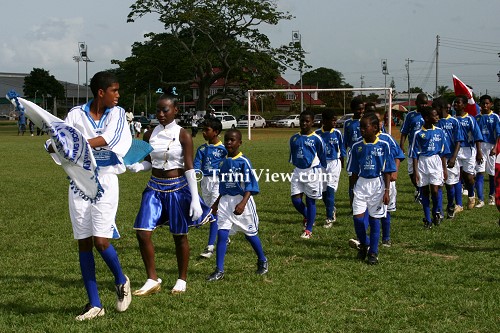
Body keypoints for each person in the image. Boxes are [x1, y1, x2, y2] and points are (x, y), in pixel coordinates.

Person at [61, 71, 132, 320]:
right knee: (83, 242)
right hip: (79, 182)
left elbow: (109, 140)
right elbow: (61, 138)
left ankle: (121, 280)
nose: (118, 95)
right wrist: (56, 144)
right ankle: (95, 304)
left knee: (101, 241)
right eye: (114, 90)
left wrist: (75, 143)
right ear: (101, 92)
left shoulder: (119, 113)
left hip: (106, 182)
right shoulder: (75, 114)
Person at [127, 92, 213, 296]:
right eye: (158, 110)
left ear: (175, 110)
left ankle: (182, 278)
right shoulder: (149, 134)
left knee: (179, 236)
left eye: (165, 110)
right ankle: (152, 278)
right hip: (154, 187)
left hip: (177, 187)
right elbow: (149, 161)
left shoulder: (183, 134)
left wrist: (195, 198)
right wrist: (139, 167)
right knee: (142, 232)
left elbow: (189, 167)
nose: (160, 114)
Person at [206, 129, 268, 281]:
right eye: (227, 139)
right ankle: (219, 270)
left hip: (242, 201)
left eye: (232, 140)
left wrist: (243, 203)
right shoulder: (223, 162)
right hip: (226, 201)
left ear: (239, 143)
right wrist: (216, 203)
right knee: (222, 234)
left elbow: (250, 185)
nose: (228, 142)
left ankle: (262, 260)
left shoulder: (243, 162)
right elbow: (224, 185)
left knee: (250, 234)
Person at [347, 113, 396, 264]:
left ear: (375, 128)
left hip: (377, 184)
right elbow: (353, 172)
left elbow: (387, 170)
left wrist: (387, 191)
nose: (361, 129)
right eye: (360, 127)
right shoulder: (357, 147)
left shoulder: (384, 145)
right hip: (361, 184)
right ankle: (365, 244)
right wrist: (352, 192)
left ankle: (373, 253)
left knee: (375, 220)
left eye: (365, 127)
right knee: (358, 219)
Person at [289, 110, 327, 239]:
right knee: (295, 200)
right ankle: (308, 216)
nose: (304, 123)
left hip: (312, 172)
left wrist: (321, 173)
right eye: (302, 121)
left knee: (310, 201)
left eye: (307, 121)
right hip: (298, 171)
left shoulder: (317, 139)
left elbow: (322, 157)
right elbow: (293, 156)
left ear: (312, 122)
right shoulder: (294, 138)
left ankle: (308, 230)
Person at [193, 118, 228, 258]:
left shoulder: (224, 149)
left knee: (214, 213)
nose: (203, 132)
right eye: (203, 129)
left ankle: (210, 247)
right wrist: (195, 175)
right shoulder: (202, 148)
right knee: (209, 212)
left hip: (218, 181)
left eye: (207, 130)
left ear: (216, 132)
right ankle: (225, 236)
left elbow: (229, 165)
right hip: (205, 182)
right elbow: (196, 165)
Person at [410, 107, 450, 228]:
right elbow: (414, 154)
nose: (437, 117)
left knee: (435, 190)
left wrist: (445, 169)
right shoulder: (418, 134)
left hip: (436, 162)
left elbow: (443, 152)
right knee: (425, 191)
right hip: (423, 163)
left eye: (438, 115)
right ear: (426, 118)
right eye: (435, 115)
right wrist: (415, 171)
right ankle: (427, 219)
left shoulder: (440, 131)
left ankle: (436, 211)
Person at [315, 110, 345, 228]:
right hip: (321, 164)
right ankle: (331, 208)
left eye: (335, 120)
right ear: (324, 121)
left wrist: (342, 162)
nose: (335, 122)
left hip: (334, 163)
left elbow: (342, 148)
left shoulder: (337, 133)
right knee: (322, 191)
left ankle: (329, 218)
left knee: (330, 189)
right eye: (332, 120)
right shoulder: (317, 134)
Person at [435, 97, 464, 218]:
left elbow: (458, 140)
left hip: (450, 158)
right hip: (437, 159)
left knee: (450, 185)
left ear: (441, 108)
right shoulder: (434, 122)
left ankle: (451, 205)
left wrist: (453, 157)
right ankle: (439, 211)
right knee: (438, 184)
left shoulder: (454, 122)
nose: (434, 110)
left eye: (435, 107)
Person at [454, 95, 484, 209]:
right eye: (455, 103)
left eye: (458, 103)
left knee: (469, 177)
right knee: (457, 176)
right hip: (456, 151)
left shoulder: (470, 119)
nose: (456, 105)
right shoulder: (452, 119)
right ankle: (459, 204)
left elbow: (477, 136)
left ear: (465, 105)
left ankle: (471, 195)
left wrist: (479, 152)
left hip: (469, 150)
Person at [399, 93, 428, 203]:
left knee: (423, 171)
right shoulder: (410, 116)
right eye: (422, 103)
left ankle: (422, 193)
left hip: (425, 149)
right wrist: (401, 145)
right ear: (416, 103)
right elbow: (404, 132)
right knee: (411, 171)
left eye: (426, 103)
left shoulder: (430, 114)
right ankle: (418, 189)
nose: (424, 106)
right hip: (413, 148)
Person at [474, 95, 500, 207]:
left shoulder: (495, 117)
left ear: (491, 104)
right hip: (479, 147)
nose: (485, 106)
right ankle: (480, 199)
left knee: (491, 173)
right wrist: (478, 150)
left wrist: (495, 147)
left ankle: (492, 196)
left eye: (487, 103)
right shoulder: (477, 118)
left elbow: (498, 134)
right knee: (479, 172)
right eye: (483, 103)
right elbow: (476, 135)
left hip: (491, 147)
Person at [344, 97, 365, 207]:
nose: (361, 111)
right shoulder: (348, 123)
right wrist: (342, 155)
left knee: (364, 179)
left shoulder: (367, 121)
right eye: (358, 109)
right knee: (352, 181)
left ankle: (364, 204)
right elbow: (345, 142)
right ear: (352, 109)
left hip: (365, 154)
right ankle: (353, 205)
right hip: (352, 155)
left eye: (362, 109)